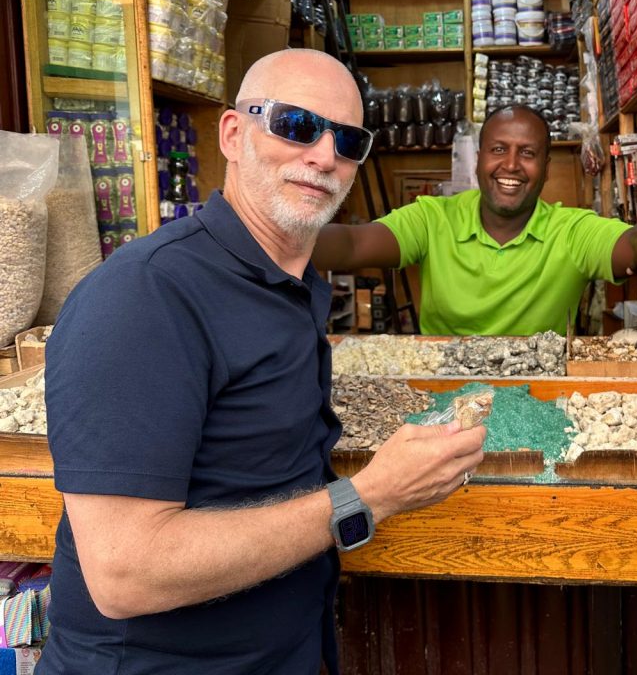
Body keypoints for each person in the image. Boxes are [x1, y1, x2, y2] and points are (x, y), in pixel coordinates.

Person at [40, 49, 486, 675]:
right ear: (232, 133)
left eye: (348, 141)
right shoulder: (146, 294)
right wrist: (368, 496)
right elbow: (125, 573)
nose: (324, 156)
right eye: (295, 125)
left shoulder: (291, 286)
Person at [313, 104, 637, 335]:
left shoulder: (571, 231)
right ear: (478, 158)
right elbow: (352, 245)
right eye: (498, 150)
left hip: (539, 394)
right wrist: (276, 234)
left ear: (545, 166)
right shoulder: (432, 218)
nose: (511, 165)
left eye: (527, 153)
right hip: (444, 393)